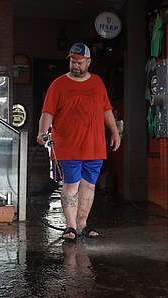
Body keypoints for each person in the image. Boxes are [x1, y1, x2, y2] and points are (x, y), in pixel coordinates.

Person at [37, 42, 121, 240]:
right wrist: (42, 132)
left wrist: (115, 132)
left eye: (79, 62)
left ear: (89, 62)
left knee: (89, 186)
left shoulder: (98, 83)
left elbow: (106, 110)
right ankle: (71, 226)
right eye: (73, 62)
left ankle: (83, 224)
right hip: (67, 145)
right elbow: (47, 112)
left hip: (94, 144)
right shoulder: (58, 84)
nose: (75, 65)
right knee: (71, 184)